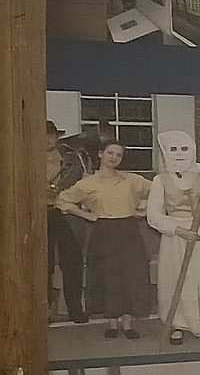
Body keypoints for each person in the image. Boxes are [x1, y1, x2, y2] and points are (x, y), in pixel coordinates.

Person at [55, 140, 153, 341]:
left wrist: (144, 210)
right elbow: (63, 200)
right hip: (104, 231)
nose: (114, 158)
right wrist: (86, 215)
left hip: (129, 231)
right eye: (110, 153)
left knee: (131, 275)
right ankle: (112, 324)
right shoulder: (88, 183)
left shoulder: (132, 180)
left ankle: (128, 324)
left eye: (118, 155)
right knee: (109, 276)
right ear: (100, 154)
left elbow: (158, 191)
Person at [145, 129, 200, 346]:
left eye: (184, 149)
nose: (179, 154)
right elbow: (153, 214)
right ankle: (178, 324)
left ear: (192, 150)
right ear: (166, 153)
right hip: (176, 234)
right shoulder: (160, 180)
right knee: (177, 278)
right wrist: (177, 230)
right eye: (173, 149)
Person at [46, 121, 90, 327]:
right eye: (42, 135)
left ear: (56, 136)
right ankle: (44, 309)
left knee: (72, 261)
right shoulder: (25, 157)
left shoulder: (72, 158)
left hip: (66, 213)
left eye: (50, 135)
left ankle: (75, 308)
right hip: (38, 213)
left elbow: (84, 182)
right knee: (43, 264)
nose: (47, 139)